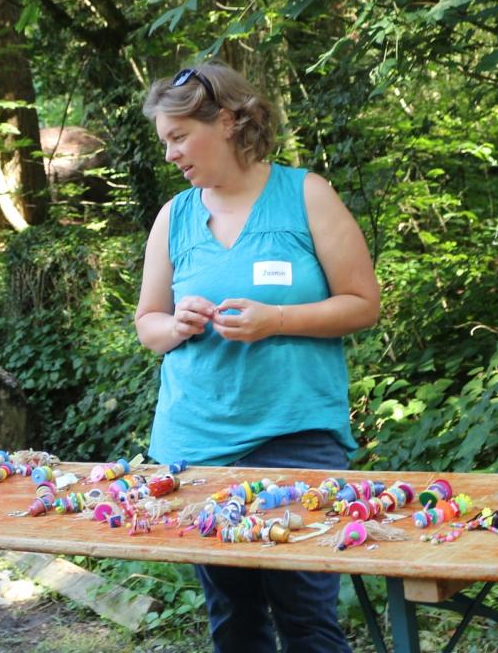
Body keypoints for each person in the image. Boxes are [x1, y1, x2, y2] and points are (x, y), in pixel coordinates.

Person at [136, 61, 380, 652]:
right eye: (164, 141)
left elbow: (363, 303)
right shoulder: (175, 215)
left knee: (307, 618)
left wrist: (278, 320)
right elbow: (148, 324)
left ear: (225, 121)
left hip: (294, 436)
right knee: (234, 622)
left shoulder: (306, 195)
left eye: (178, 137)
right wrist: (179, 324)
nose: (170, 155)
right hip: (194, 447)